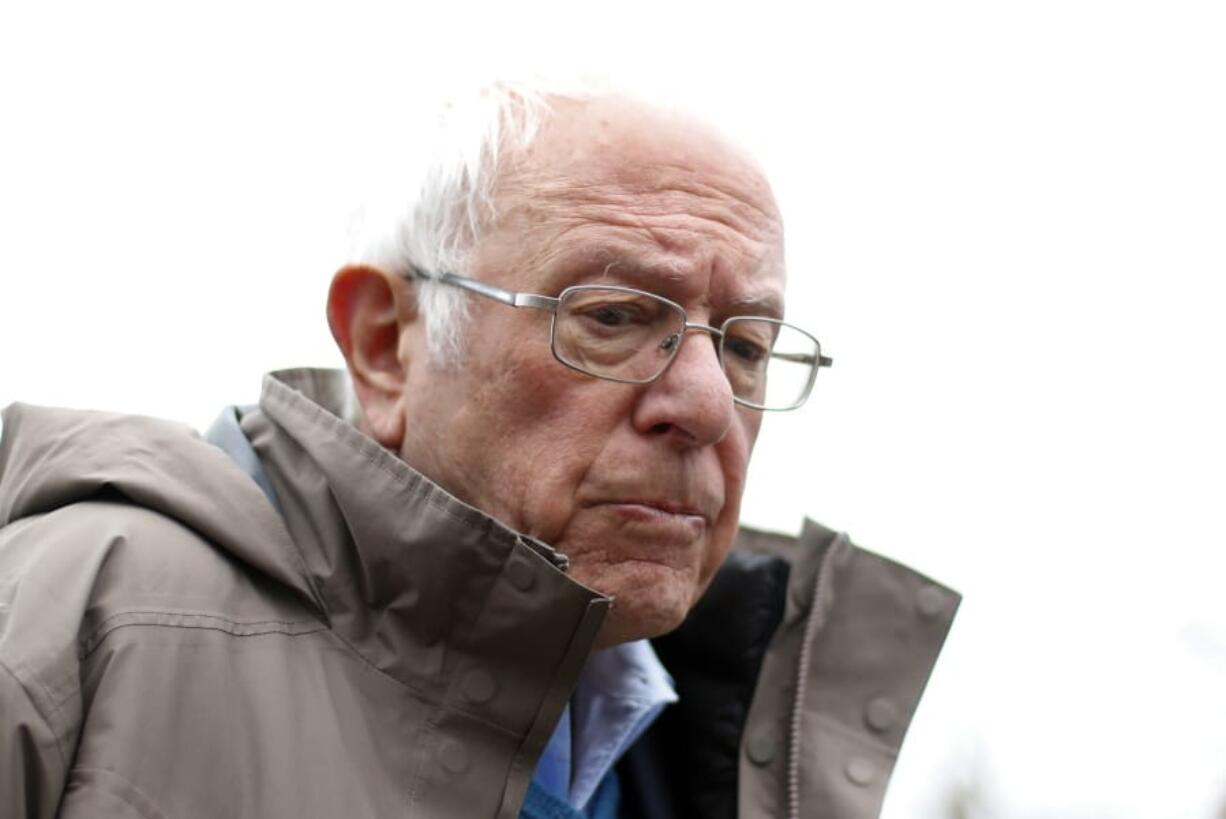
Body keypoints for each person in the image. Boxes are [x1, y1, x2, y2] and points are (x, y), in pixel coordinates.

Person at [0, 79, 958, 819]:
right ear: (386, 345)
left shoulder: (732, 749)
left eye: (746, 344)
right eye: (616, 316)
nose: (708, 402)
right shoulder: (81, 616)